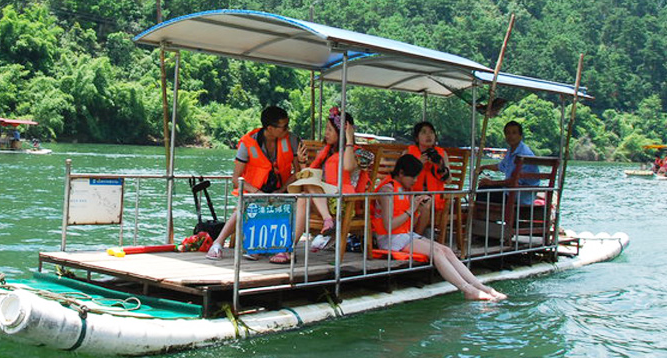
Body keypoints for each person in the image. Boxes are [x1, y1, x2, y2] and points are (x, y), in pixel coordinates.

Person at [372, 154, 506, 302]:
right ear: (402, 173)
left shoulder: (404, 188)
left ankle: (481, 287)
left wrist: (418, 210)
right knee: (435, 252)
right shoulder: (387, 191)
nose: (415, 181)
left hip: (404, 235)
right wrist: (412, 208)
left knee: (446, 250)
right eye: (413, 177)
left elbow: (407, 222)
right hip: (390, 239)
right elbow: (388, 226)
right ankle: (467, 289)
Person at [206, 106, 306, 260]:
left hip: (282, 191)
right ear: (270, 128)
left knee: (287, 202)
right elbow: (235, 179)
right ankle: (218, 243)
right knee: (246, 204)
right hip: (255, 192)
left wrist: (282, 190)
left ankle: (273, 247)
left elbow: (299, 173)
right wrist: (257, 192)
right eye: (284, 126)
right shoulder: (248, 143)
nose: (288, 129)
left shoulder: (292, 140)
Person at [285, 106, 365, 260]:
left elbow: (348, 167)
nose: (326, 133)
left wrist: (349, 140)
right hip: (324, 199)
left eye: (330, 129)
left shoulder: (357, 152)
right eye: (326, 129)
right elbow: (310, 176)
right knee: (303, 196)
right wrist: (302, 163)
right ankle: (325, 222)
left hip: (343, 202)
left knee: (303, 197)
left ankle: (288, 247)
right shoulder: (327, 152)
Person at [405, 121, 451, 237]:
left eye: (431, 132)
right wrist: (418, 164)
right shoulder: (409, 153)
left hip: (433, 196)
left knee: (425, 203)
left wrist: (441, 166)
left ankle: (414, 238)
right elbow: (400, 178)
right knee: (421, 203)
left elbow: (449, 180)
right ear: (417, 137)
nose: (428, 136)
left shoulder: (441, 154)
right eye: (424, 133)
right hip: (411, 193)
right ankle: (413, 238)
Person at [477, 120, 538, 205]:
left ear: (520, 136)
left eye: (514, 133)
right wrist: (483, 167)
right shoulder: (511, 151)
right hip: (512, 191)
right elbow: (500, 166)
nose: (511, 136)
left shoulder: (523, 154)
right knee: (484, 186)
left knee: (483, 189)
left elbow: (514, 181)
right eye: (508, 133)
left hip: (519, 195)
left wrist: (491, 182)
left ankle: (483, 216)